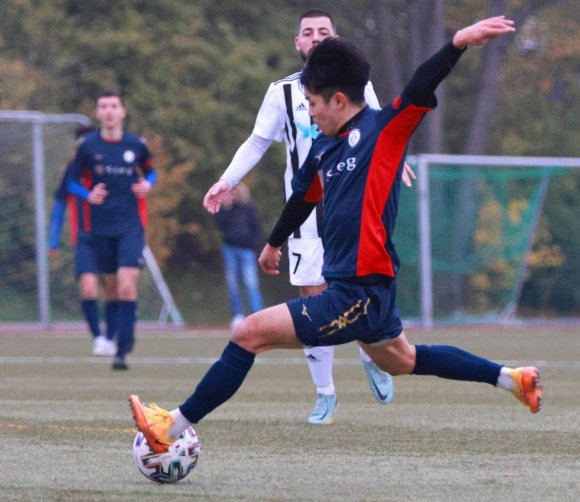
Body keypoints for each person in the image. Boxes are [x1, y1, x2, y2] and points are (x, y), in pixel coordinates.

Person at [130, 16, 543, 453]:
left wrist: (456, 43)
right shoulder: (326, 146)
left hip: (356, 294)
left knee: (247, 333)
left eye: (312, 103)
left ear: (340, 99)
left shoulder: (383, 132)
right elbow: (302, 197)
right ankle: (512, 379)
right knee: (404, 360)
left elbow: (421, 85)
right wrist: (273, 243)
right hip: (368, 293)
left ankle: (169, 429)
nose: (308, 111)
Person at [204, 8, 399, 425]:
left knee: (357, 290)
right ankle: (325, 392)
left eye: (322, 31)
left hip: (354, 206)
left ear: (334, 38)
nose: (314, 37)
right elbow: (257, 141)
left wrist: (402, 162)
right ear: (298, 43)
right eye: (307, 32)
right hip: (307, 213)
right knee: (313, 298)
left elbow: (385, 130)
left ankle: (373, 354)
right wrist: (227, 179)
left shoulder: (357, 86)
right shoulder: (282, 92)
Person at [67, 90, 157, 370]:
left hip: (130, 227)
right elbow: (70, 183)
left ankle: (121, 350)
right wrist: (87, 194)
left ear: (122, 112)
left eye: (113, 106)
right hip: (98, 229)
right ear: (97, 112)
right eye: (103, 106)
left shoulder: (136, 144)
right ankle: (112, 335)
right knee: (112, 290)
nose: (108, 111)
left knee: (128, 286)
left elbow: (150, 172)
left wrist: (148, 184)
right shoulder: (87, 146)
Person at [49, 125, 118, 357]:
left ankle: (110, 337)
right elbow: (59, 205)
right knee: (89, 290)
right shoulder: (70, 172)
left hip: (111, 237)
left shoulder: (111, 167)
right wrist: (53, 240)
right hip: (84, 239)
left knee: (113, 289)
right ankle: (99, 338)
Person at [213, 182, 265, 327]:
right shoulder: (226, 210)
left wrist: (252, 244)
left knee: (251, 283)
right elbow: (219, 225)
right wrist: (226, 207)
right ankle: (238, 315)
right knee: (232, 283)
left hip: (247, 251)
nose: (234, 194)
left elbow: (257, 228)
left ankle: (258, 314)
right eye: (232, 192)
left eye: (237, 192)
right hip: (229, 249)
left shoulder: (249, 208)